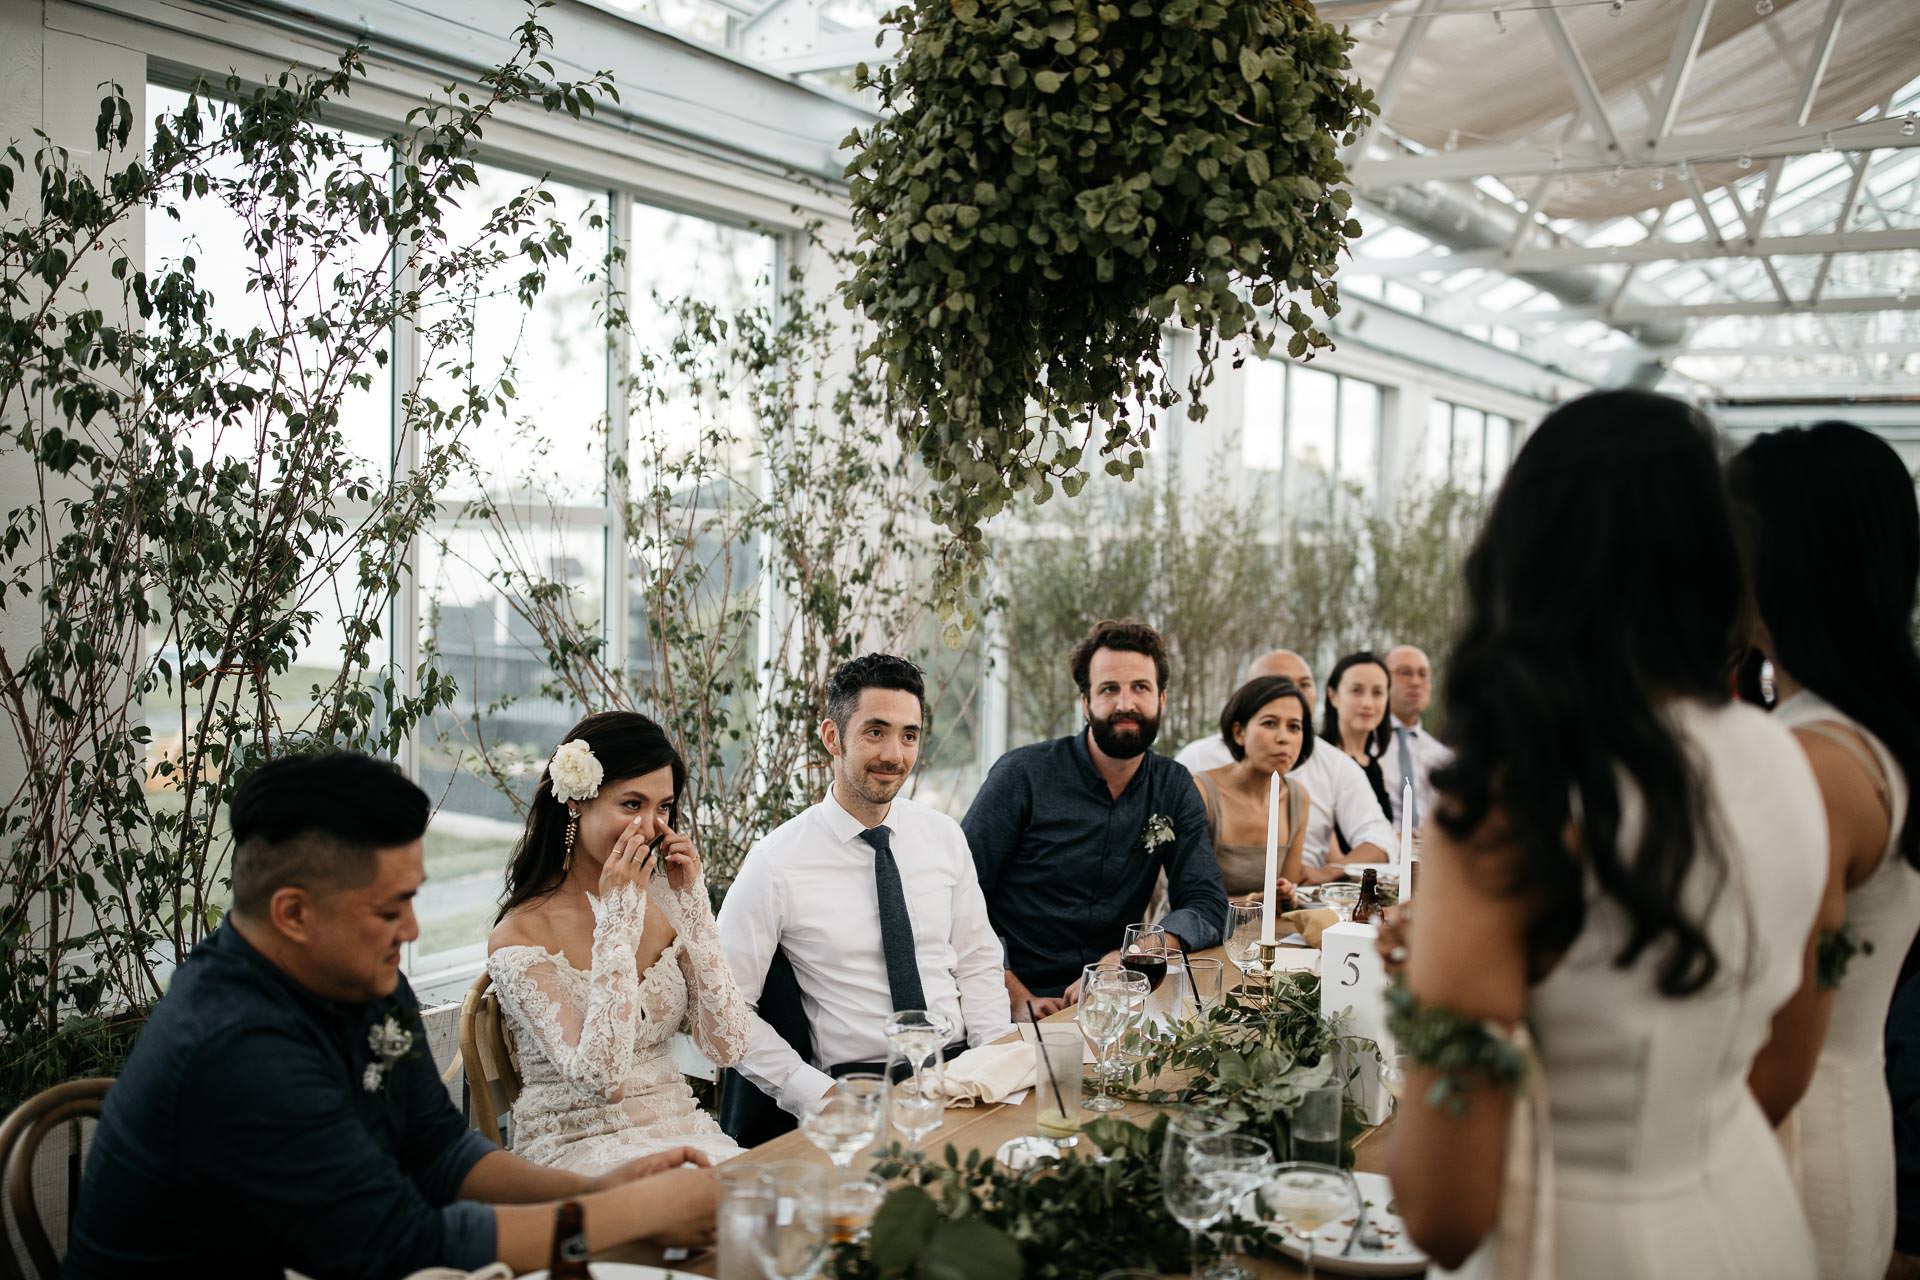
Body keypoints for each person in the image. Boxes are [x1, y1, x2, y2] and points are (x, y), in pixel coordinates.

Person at [1385, 390, 1824, 1279]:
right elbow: (1785, 1063)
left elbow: (1441, 1210)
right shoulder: (1789, 761)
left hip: (1571, 1239)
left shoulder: (1517, 808)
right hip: (1751, 1209)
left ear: (1522, 557)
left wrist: (1427, 990)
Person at [66, 752, 717, 1280]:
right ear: (293, 913)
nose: (409, 929)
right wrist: (626, 1214)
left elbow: (436, 1151)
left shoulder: (354, 975)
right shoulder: (235, 1046)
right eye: (388, 909)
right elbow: (401, 1245)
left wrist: (599, 1192)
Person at [1731, 422, 1920, 1280]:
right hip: (1837, 1109)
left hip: (1784, 1137)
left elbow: (1769, 1022)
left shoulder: (1815, 758)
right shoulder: (1851, 728)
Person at [717, 654, 1012, 1117]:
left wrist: (994, 1059)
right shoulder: (774, 863)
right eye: (875, 732)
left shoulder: (945, 837)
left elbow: (977, 964)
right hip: (863, 1087)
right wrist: (813, 1091)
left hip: (963, 1070)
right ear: (832, 737)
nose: (895, 755)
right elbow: (726, 1010)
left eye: (908, 736)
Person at [487, 711, 752, 1173]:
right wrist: (617, 921)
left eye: (663, 807)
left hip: (685, 1132)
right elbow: (601, 1079)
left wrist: (694, 909)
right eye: (632, 804)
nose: (650, 828)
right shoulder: (521, 931)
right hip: (577, 1148)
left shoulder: (664, 904)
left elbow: (726, 1047)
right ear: (576, 803)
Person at [964, 618, 1226, 1014]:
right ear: (1085, 703)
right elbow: (960, 898)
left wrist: (1133, 954)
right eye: (1109, 689)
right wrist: (1013, 995)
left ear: (1162, 700)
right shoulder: (1020, 776)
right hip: (1006, 995)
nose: (1126, 704)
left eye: (1141, 687)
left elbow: (1206, 903)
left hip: (1112, 995)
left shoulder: (1173, 786)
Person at [1177, 649, 1393, 883]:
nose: (1293, 693)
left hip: (1301, 896)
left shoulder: (1335, 766)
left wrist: (1330, 871)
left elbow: (1381, 838)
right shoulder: (1198, 759)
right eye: (1278, 684)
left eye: (1305, 684)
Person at [1193, 675, 1313, 900]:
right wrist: (1253, 903)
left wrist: (1285, 895)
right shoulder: (1202, 792)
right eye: (1270, 723)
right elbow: (1188, 897)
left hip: (1267, 931)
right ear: (1239, 732)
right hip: (1199, 929)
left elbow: (1285, 894)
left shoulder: (1297, 799)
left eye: (1294, 727)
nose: (1283, 738)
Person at [1320, 650, 1395, 837]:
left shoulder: (1377, 766)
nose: (1368, 703)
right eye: (1356, 691)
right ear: (1333, 695)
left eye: (1378, 692)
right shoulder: (1318, 760)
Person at [1382, 643, 1450, 830]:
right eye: (1405, 673)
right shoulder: (1364, 746)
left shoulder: (1441, 755)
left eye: (1423, 674)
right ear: (1383, 679)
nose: (1415, 682)